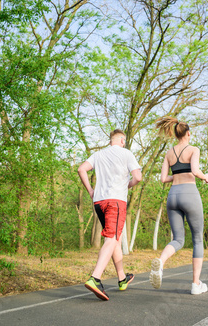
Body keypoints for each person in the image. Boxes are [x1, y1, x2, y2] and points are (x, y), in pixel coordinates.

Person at [77, 129, 142, 301]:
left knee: (116, 239)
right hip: (115, 201)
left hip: (99, 202)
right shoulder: (126, 153)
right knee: (111, 238)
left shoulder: (98, 154)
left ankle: (122, 279)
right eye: (124, 141)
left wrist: (90, 190)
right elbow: (138, 177)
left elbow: (81, 169)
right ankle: (95, 278)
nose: (125, 143)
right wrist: (127, 185)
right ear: (122, 140)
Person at [150, 117, 208, 295]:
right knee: (197, 239)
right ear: (188, 133)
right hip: (189, 193)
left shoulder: (169, 153)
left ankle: (161, 262)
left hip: (172, 196)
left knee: (178, 239)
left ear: (176, 134)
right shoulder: (193, 149)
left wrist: (176, 175)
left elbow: (163, 179)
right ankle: (195, 284)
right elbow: (194, 170)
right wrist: (205, 177)